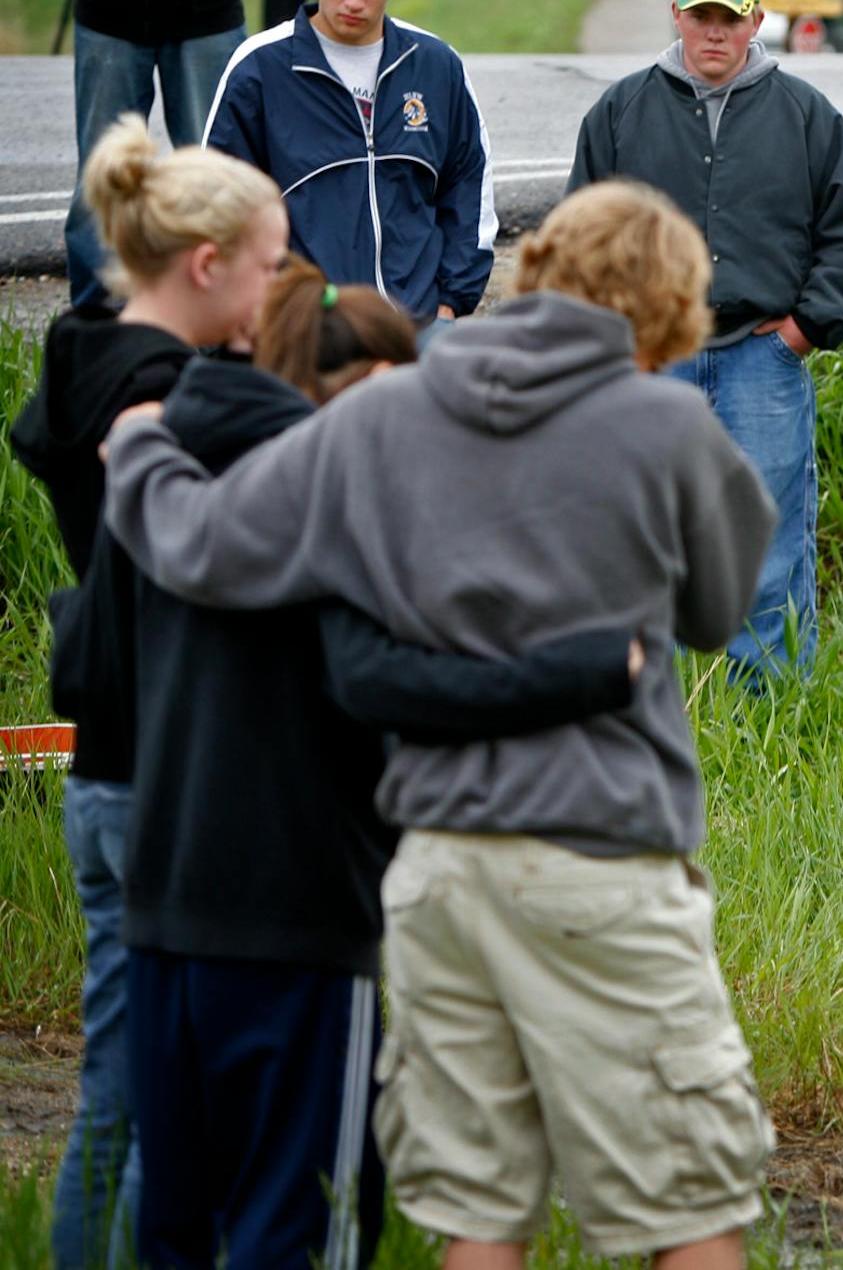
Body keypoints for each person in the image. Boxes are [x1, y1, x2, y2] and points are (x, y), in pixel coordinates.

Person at [103, 181, 781, 1267]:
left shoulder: (383, 408)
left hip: (433, 869)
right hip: (600, 857)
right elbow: (717, 610)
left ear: (540, 268)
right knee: (687, 1197)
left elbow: (204, 547)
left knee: (479, 1206)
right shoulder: (665, 421)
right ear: (669, 307)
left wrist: (137, 447)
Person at [5, 115, 283, 1270]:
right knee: (146, 1090)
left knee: (124, 1073)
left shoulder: (84, 343)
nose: (280, 286)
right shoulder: (163, 401)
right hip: (167, 763)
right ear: (207, 265)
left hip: (111, 753)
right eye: (270, 262)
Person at [568, 0, 843, 686]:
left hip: (761, 357)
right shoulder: (620, 111)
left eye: (730, 18)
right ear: (676, 13)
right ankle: (657, 693)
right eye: (701, 15)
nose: (714, 32)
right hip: (652, 358)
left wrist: (804, 331)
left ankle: (766, 698)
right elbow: (580, 237)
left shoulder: (806, 115)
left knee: (765, 530)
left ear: (757, 20)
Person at [206, 0, 496, 335]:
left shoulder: (436, 64)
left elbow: (468, 186)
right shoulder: (260, 68)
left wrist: (450, 304)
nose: (354, 1)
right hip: (306, 326)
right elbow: (219, 200)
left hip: (417, 323)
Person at [44, 0, 281, 313]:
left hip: (206, 13)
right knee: (103, 178)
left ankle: (220, 323)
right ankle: (97, 329)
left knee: (217, 176)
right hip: (107, 11)